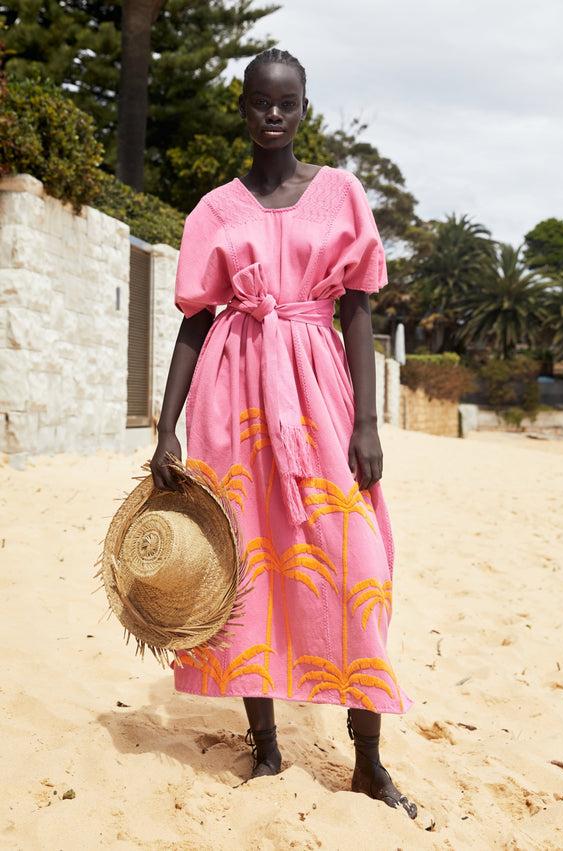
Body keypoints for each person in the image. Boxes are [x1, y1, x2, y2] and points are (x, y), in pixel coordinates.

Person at [150, 48, 417, 817]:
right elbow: (195, 323)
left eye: (288, 102)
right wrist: (167, 427)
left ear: (304, 109)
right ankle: (265, 746)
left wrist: (367, 421)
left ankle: (368, 759)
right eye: (261, 102)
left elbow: (360, 308)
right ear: (244, 108)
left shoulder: (340, 194)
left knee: (351, 555)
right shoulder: (214, 210)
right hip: (233, 399)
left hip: (319, 393)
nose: (274, 114)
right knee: (247, 565)